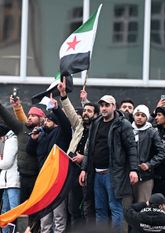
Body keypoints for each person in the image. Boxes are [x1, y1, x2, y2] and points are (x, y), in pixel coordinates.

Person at [79, 94, 138, 232]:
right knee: (99, 209)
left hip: (114, 174)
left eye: (107, 105)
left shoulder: (123, 124)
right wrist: (84, 169)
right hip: (97, 174)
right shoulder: (96, 123)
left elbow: (132, 148)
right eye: (102, 105)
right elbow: (89, 149)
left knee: (115, 208)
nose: (104, 108)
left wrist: (134, 169)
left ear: (114, 107)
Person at [0, 88, 45, 233]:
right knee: (21, 211)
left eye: (34, 115)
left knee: (35, 210)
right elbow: (9, 118)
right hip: (23, 177)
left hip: (38, 177)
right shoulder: (21, 129)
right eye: (30, 115)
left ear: (41, 119)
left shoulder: (44, 133)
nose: (30, 117)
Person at [26, 96, 72, 233]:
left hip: (57, 178)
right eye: (45, 120)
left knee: (58, 213)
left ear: (55, 123)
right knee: (45, 213)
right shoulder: (43, 135)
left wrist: (56, 109)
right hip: (44, 178)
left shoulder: (61, 132)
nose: (45, 123)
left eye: (48, 120)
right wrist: (33, 140)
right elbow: (30, 152)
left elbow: (65, 122)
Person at [57, 78, 99, 227]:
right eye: (85, 111)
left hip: (88, 170)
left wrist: (84, 157)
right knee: (72, 208)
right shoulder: (79, 124)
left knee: (87, 208)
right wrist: (63, 94)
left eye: (89, 111)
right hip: (72, 169)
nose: (86, 113)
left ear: (95, 115)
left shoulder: (98, 128)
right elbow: (69, 110)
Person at [132, 105, 165, 202]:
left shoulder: (151, 132)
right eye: (137, 114)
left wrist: (149, 164)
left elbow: (163, 151)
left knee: (143, 204)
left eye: (143, 115)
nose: (139, 117)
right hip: (129, 174)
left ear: (147, 118)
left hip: (145, 176)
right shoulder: (128, 130)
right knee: (126, 207)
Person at [0, 122, 20, 233]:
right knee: (7, 212)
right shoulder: (13, 139)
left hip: (12, 182)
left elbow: (7, 163)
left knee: (11, 212)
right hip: (9, 181)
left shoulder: (11, 141)